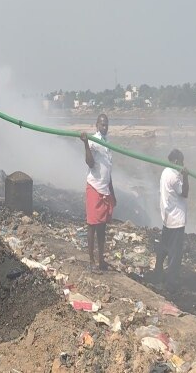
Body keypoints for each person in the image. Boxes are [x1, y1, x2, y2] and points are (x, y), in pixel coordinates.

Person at [80, 113, 117, 272]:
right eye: (102, 124)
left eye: (106, 124)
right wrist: (86, 144)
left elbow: (108, 171)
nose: (104, 127)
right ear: (96, 125)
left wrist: (112, 193)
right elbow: (89, 162)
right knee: (92, 226)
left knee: (102, 227)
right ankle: (91, 260)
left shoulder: (107, 144)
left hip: (105, 189)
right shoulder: (94, 141)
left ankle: (101, 259)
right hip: (94, 187)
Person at [154, 149, 190, 292]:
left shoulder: (165, 172)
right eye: (181, 162)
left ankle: (157, 274)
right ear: (176, 161)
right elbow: (185, 193)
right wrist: (185, 176)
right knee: (175, 255)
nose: (182, 164)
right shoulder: (174, 177)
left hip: (167, 218)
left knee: (163, 248)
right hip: (176, 220)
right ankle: (171, 284)